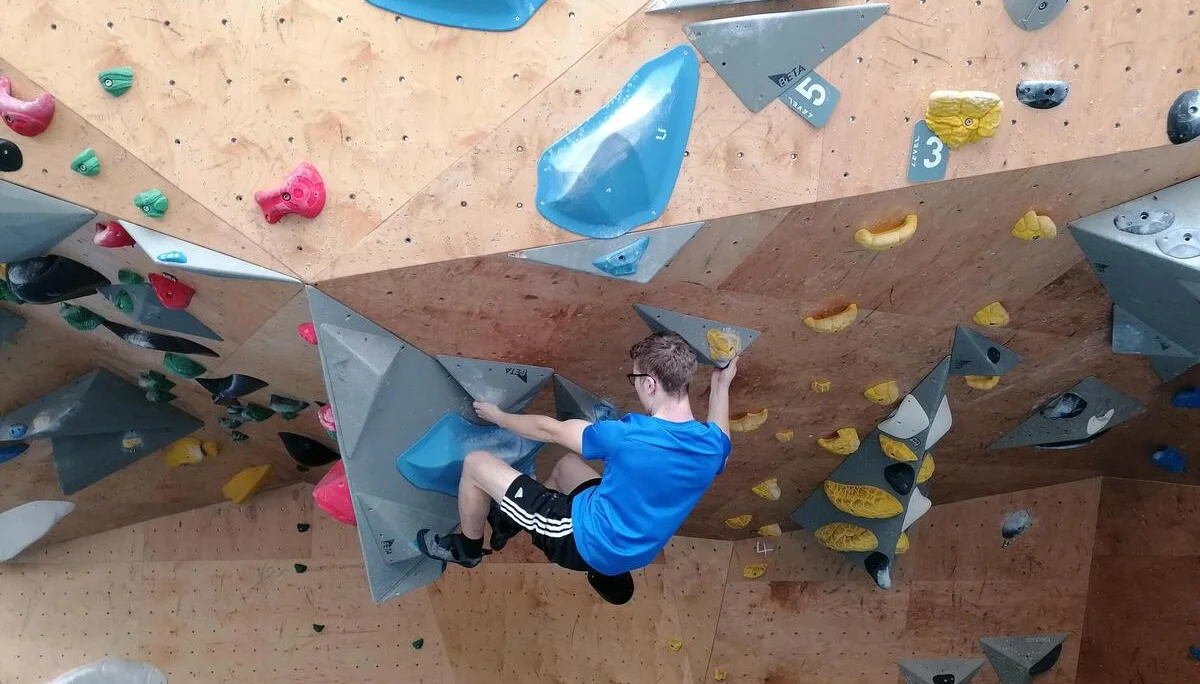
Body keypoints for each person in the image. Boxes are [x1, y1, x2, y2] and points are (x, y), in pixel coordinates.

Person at [416, 331, 737, 602]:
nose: (636, 385)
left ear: (650, 384)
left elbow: (549, 430)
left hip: (580, 540)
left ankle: (467, 548)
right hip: (637, 546)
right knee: (568, 466)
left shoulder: (629, 436)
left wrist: (499, 417)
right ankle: (509, 522)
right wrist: (721, 386)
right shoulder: (712, 447)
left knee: (476, 464)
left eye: (635, 378)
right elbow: (721, 433)